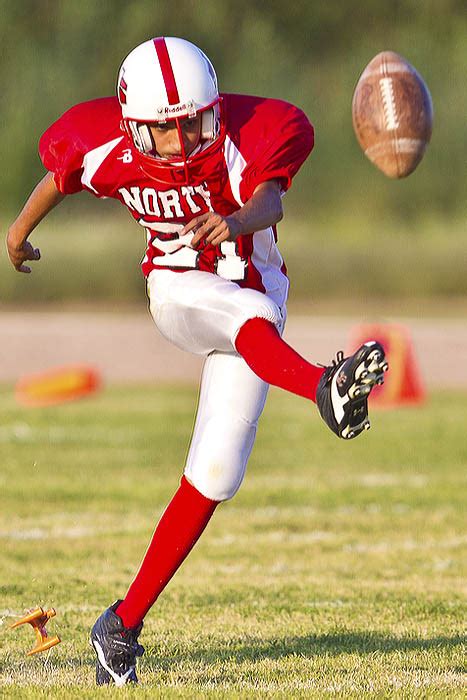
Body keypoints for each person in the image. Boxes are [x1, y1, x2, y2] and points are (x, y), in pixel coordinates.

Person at [7, 37, 388, 686]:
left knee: (215, 474)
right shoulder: (104, 143)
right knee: (247, 317)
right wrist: (17, 236)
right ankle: (324, 388)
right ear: (133, 127)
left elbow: (272, 200)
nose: (183, 144)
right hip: (179, 292)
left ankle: (120, 627)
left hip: (254, 313)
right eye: (166, 131)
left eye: (195, 124)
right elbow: (61, 177)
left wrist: (236, 220)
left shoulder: (252, 131)